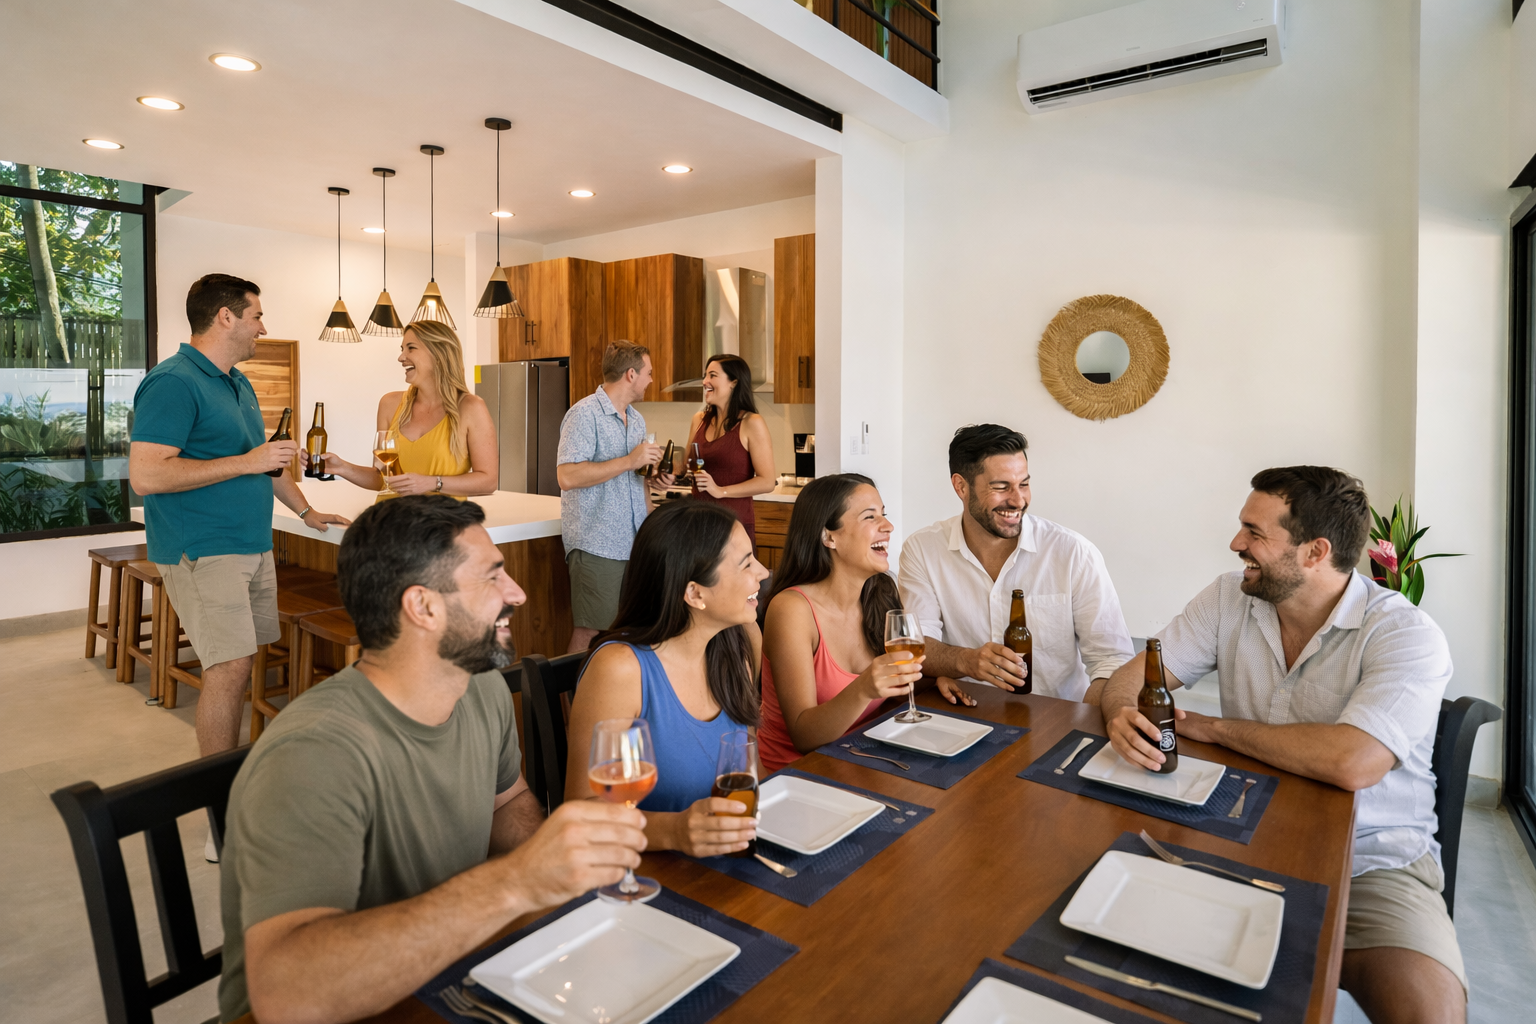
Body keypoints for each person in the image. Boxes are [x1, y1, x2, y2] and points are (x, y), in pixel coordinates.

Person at [218, 495, 648, 1024]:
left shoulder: (480, 686)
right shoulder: (311, 754)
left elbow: (505, 801)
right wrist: (516, 881)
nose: (518, 593)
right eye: (493, 578)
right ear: (422, 606)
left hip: (454, 976)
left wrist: (560, 870)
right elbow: (287, 997)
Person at [1100, 467, 1464, 1024]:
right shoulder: (1229, 597)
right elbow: (1132, 678)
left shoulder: (1404, 634)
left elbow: (1353, 760)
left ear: (1315, 551)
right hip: (1231, 831)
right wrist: (1123, 712)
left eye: (1254, 532)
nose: (1236, 543)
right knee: (1112, 960)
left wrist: (1214, 728)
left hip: (1370, 861)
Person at [129, 274, 350, 860]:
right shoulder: (172, 383)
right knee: (228, 669)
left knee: (244, 663)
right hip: (202, 549)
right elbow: (148, 475)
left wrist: (307, 510)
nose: (263, 325)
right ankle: (220, 820)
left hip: (251, 545)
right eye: (256, 315)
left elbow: (265, 465)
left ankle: (242, 793)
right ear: (225, 317)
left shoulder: (238, 383)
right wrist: (244, 461)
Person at [563, 501, 767, 856]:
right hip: (639, 876)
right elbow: (580, 815)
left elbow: (751, 770)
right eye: (746, 563)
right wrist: (672, 831)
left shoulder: (735, 648)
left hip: (724, 866)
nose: (763, 572)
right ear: (695, 593)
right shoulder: (621, 669)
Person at [897, 424, 1132, 704]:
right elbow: (919, 645)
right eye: (1001, 487)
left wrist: (1084, 724)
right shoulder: (922, 549)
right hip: (967, 715)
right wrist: (967, 661)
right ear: (961, 486)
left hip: (1056, 720)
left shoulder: (1074, 553)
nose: (1018, 500)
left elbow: (1112, 661)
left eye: (1024, 484)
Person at [758, 474, 926, 771]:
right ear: (829, 537)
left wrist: (935, 681)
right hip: (799, 775)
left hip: (862, 760)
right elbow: (803, 736)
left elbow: (887, 698)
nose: (888, 526)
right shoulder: (792, 610)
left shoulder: (880, 591)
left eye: (884, 515)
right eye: (870, 517)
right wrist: (864, 688)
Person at [556, 341, 673, 652]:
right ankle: (572, 702)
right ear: (631, 374)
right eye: (648, 373)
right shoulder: (583, 415)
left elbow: (634, 479)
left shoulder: (635, 419)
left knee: (625, 630)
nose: (651, 379)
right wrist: (629, 461)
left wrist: (653, 479)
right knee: (590, 630)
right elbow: (567, 477)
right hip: (597, 542)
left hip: (632, 543)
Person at [305, 321, 497, 500]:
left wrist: (432, 483)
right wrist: (342, 468)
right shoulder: (390, 404)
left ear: (439, 355)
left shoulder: (470, 408)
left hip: (439, 526)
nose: (401, 357)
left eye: (411, 348)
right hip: (389, 522)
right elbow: (383, 478)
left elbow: (489, 481)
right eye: (402, 349)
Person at [687, 354, 776, 544]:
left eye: (712, 375)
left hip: (733, 527)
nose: (705, 381)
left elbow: (767, 481)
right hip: (699, 524)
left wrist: (720, 491)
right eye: (705, 375)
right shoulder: (699, 419)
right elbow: (688, 463)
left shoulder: (752, 422)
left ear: (733, 383)